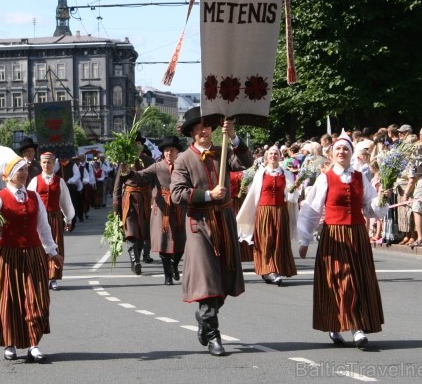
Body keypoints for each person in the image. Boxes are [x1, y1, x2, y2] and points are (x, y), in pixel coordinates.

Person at [169, 107, 253, 357]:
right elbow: (176, 194)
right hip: (199, 224)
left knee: (224, 279)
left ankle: (204, 316)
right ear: (192, 134)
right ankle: (214, 335)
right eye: (198, 128)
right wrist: (207, 195)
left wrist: (235, 136)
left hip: (224, 221)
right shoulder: (183, 159)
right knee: (207, 279)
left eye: (207, 127)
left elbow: (246, 163)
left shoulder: (222, 151)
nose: (204, 131)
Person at [297, 130, 386, 350]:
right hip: (334, 236)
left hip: (356, 234)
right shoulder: (325, 178)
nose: (342, 151)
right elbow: (311, 210)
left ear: (351, 153)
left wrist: (381, 200)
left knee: (357, 281)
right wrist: (304, 239)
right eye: (338, 148)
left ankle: (357, 327)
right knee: (337, 281)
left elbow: (370, 207)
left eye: (346, 148)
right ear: (331, 154)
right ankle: (335, 325)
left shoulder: (360, 177)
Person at [0, 146, 63, 362]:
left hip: (33, 255)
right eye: (19, 170)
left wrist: (52, 252)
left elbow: (43, 228)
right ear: (7, 175)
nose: (24, 173)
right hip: (9, 257)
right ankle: (10, 343)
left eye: (25, 169)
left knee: (36, 299)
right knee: (10, 300)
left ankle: (33, 343)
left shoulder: (33, 197)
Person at [120, 136, 187, 285]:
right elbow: (140, 175)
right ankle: (168, 275)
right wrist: (127, 172)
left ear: (177, 152)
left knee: (181, 242)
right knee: (164, 241)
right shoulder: (157, 166)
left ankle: (174, 265)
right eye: (166, 151)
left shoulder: (184, 165)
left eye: (172, 150)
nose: (168, 153)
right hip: (162, 208)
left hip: (180, 207)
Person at [236, 146, 298, 286]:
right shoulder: (261, 173)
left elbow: (290, 193)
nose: (273, 156)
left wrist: (293, 191)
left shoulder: (285, 173)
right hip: (264, 211)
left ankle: (275, 269)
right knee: (265, 240)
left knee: (278, 241)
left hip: (281, 211)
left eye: (276, 153)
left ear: (280, 156)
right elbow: (253, 193)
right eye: (271, 153)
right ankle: (267, 270)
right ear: (266, 156)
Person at [27, 151, 75, 290]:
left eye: (49, 162)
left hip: (54, 217)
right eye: (44, 162)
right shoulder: (35, 181)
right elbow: (30, 199)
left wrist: (68, 218)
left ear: (54, 164)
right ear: (40, 164)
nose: (46, 165)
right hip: (39, 217)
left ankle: (53, 277)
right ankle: (41, 275)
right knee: (39, 245)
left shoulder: (59, 181)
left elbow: (65, 202)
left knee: (55, 244)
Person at [112, 134, 154, 275]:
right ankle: (135, 261)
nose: (136, 146)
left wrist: (154, 200)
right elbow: (118, 185)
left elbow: (154, 183)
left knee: (142, 233)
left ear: (142, 145)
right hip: (129, 199)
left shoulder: (150, 161)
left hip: (145, 199)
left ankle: (139, 255)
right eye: (134, 144)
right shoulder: (125, 162)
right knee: (130, 232)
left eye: (139, 143)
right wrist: (116, 206)